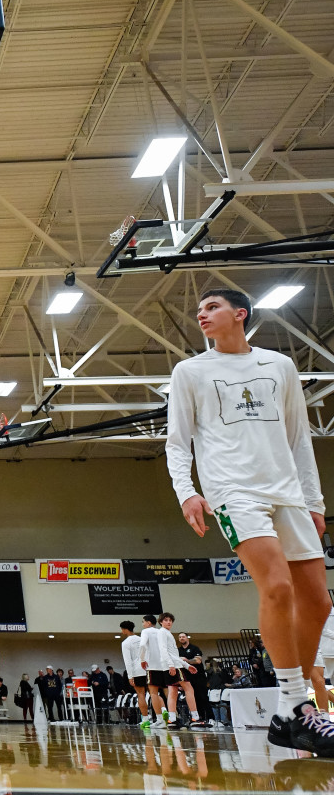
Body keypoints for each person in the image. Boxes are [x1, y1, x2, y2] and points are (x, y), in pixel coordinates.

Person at [165, 287, 331, 754]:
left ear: (241, 314)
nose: (202, 313)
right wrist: (187, 491)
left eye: (212, 306)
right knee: (277, 587)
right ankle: (298, 707)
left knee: (318, 603)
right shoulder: (190, 371)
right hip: (233, 493)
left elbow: (300, 438)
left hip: (289, 494)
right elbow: (178, 442)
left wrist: (313, 502)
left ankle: (284, 709)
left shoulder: (279, 366)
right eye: (198, 308)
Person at [119, 620, 151, 729]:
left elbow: (128, 661)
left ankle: (146, 720)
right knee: (155, 693)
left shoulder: (125, 643)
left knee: (141, 694)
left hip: (137, 671)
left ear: (124, 629)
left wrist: (130, 676)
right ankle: (162, 715)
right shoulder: (142, 639)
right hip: (149, 669)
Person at [176, 631, 211, 723]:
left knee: (203, 697)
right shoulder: (178, 651)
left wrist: (187, 660)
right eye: (180, 637)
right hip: (187, 679)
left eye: (183, 636)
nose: (181, 638)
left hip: (199, 677)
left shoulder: (194, 648)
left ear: (187, 638)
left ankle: (210, 718)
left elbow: (198, 660)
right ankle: (197, 718)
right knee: (192, 698)